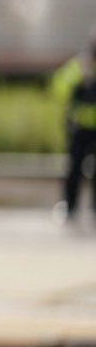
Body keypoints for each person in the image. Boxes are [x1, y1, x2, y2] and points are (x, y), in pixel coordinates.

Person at [51, 23, 96, 222]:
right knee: (74, 170)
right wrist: (78, 85)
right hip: (81, 127)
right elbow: (58, 87)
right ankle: (70, 209)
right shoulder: (80, 64)